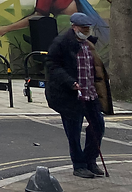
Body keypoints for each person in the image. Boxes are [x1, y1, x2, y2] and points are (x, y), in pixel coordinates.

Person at [45, 12, 112, 179]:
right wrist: (69, 82)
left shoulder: (89, 44)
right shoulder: (61, 43)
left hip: (90, 93)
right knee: (73, 133)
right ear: (74, 27)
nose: (86, 31)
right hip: (70, 95)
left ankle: (90, 160)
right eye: (83, 28)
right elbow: (52, 65)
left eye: (88, 28)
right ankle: (79, 165)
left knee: (98, 126)